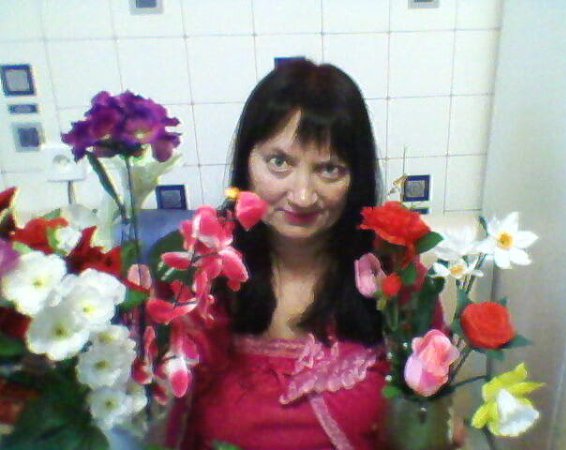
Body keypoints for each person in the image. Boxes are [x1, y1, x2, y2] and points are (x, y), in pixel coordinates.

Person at [166, 59, 457, 450]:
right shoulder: (202, 271)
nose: (302, 195)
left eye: (330, 169)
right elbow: (163, 419)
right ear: (246, 163)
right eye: (280, 163)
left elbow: (435, 421)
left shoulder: (392, 272)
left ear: (356, 178)